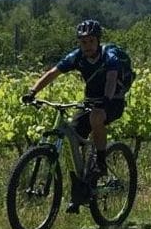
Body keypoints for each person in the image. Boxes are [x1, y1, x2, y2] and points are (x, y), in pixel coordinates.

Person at [22, 19, 133, 212]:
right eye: (83, 42)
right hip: (90, 100)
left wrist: (106, 99)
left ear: (98, 41)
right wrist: (33, 92)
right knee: (71, 139)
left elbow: (112, 78)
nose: (87, 46)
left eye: (91, 41)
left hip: (113, 99)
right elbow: (53, 73)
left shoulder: (110, 56)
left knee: (96, 117)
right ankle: (79, 191)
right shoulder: (77, 57)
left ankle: (100, 162)